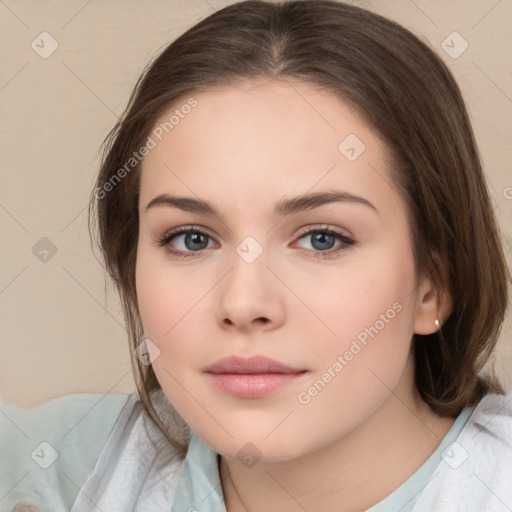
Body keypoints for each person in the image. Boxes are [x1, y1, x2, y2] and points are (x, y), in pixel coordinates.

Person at [1, 1, 511, 511]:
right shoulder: (51, 475)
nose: (243, 303)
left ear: (433, 286)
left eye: (321, 239)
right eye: (191, 239)